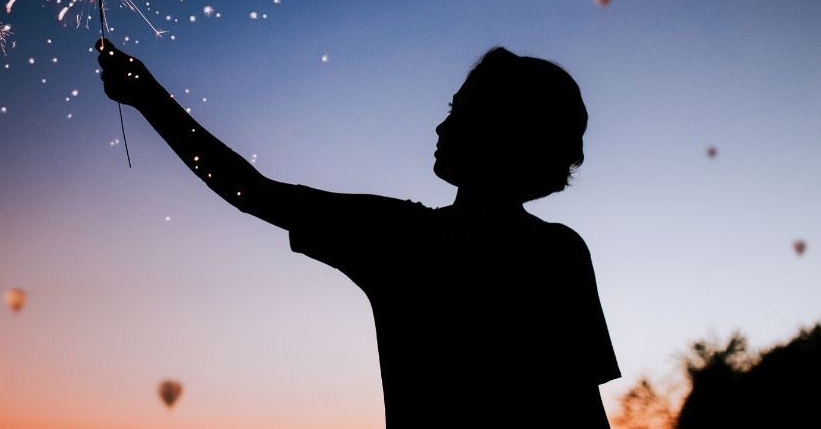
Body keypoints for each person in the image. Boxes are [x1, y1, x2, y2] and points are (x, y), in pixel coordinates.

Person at [97, 39, 620, 427]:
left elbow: (248, 191)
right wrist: (146, 97)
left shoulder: (399, 238)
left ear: (504, 133)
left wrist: (148, 97)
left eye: (460, 112)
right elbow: (581, 409)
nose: (441, 127)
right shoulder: (559, 254)